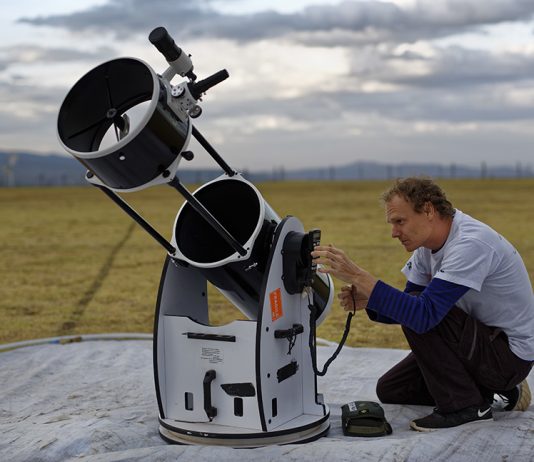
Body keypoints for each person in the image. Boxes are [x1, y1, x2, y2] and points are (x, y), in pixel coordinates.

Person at [311, 177, 534, 431]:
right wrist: (372, 300)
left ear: (428, 210)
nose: (394, 233)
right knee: (392, 389)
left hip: (507, 357)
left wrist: (359, 277)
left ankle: (467, 406)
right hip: (481, 343)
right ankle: (495, 390)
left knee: (420, 312)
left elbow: (422, 315)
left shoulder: (471, 243)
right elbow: (411, 305)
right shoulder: (426, 247)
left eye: (400, 221)